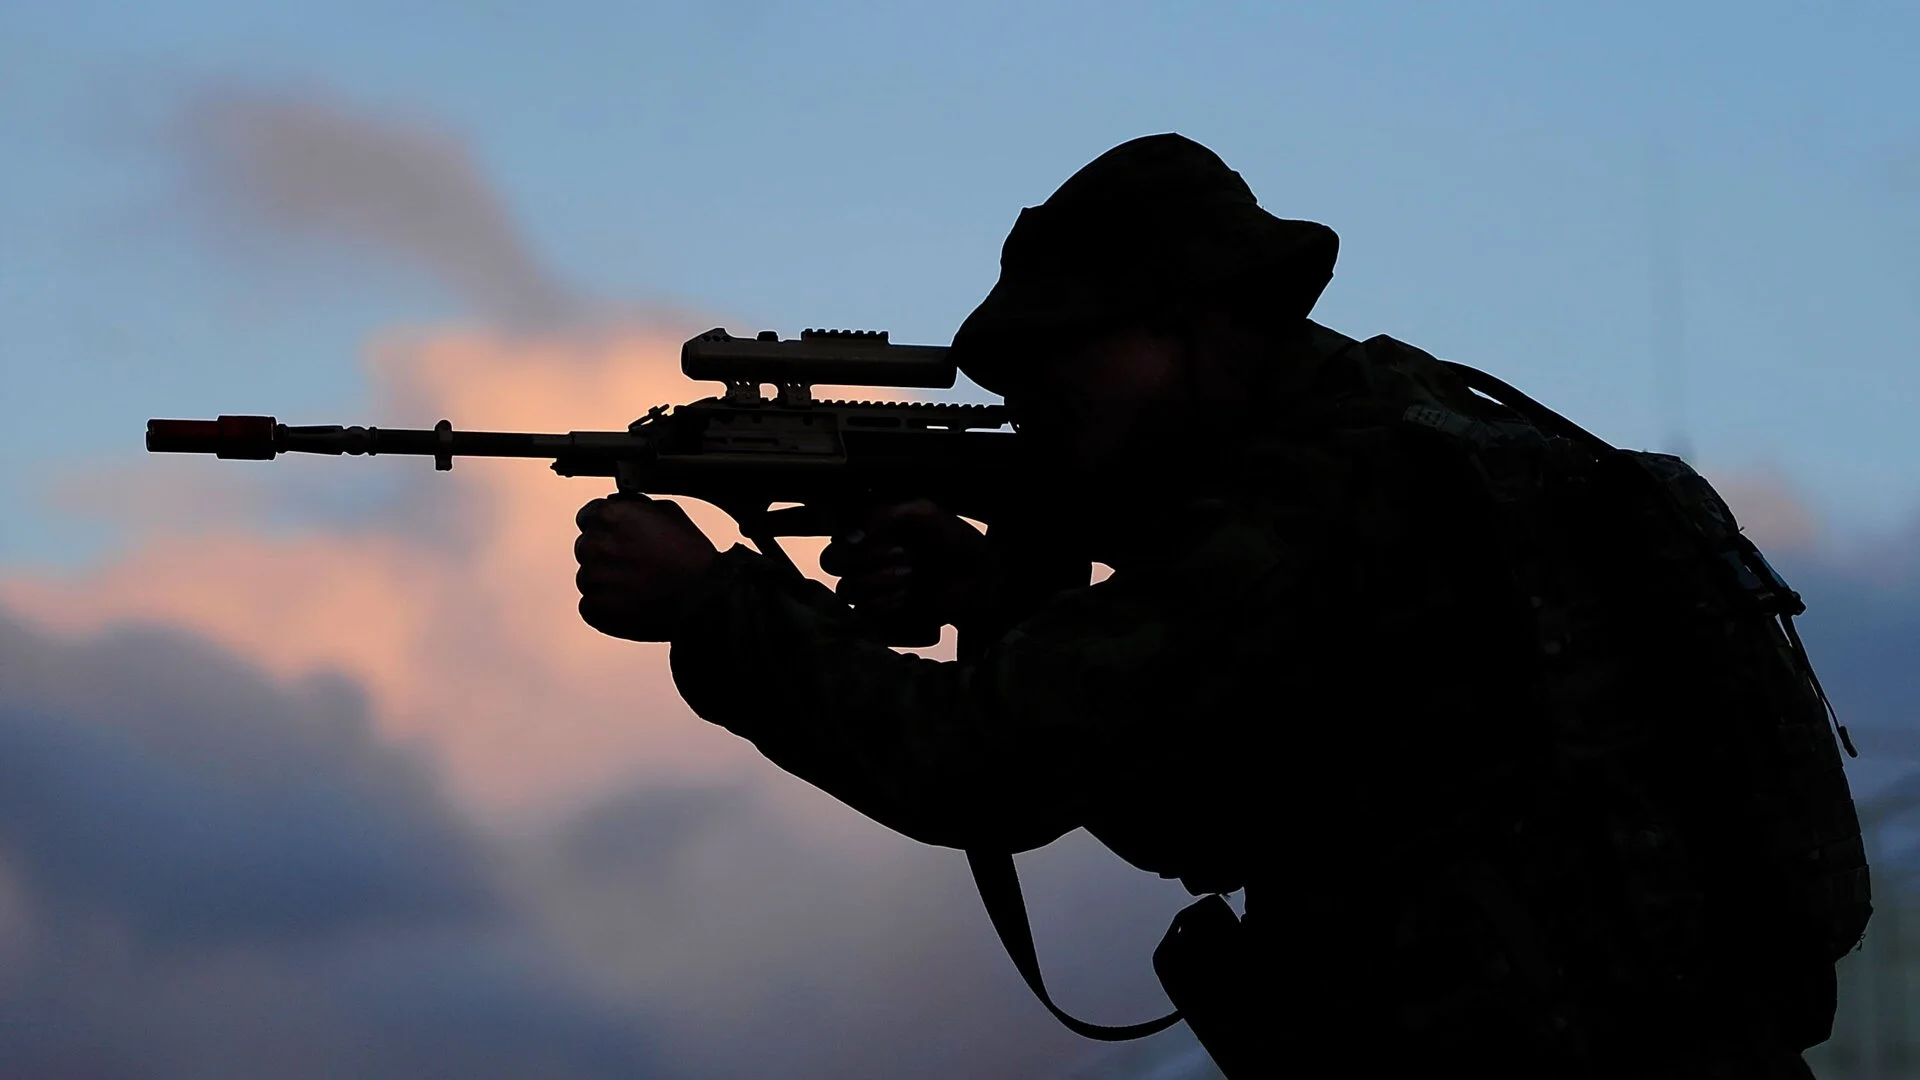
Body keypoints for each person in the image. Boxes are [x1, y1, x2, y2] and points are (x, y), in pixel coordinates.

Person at [572, 134, 1830, 1077]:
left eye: (1062, 358)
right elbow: (1205, 810)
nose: (1033, 400)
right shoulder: (1412, 435)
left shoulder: (1321, 493)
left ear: (1186, 327)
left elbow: (983, 766)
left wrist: (714, 607)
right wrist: (1012, 599)